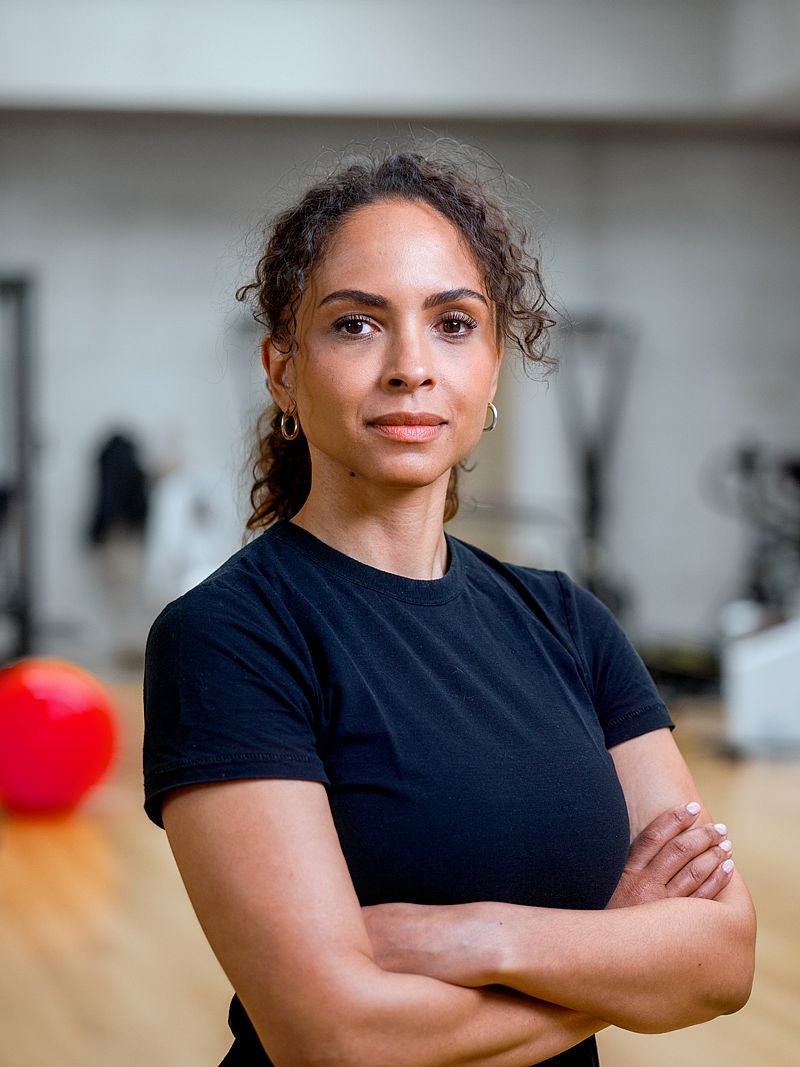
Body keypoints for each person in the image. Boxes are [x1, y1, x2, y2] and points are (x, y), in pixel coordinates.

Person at [142, 148, 756, 1067]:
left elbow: (723, 956)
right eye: (356, 325)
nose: (410, 367)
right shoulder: (228, 638)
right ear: (281, 372)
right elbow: (331, 1036)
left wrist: (485, 937)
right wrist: (616, 956)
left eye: (453, 324)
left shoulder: (569, 623)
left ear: (495, 366)